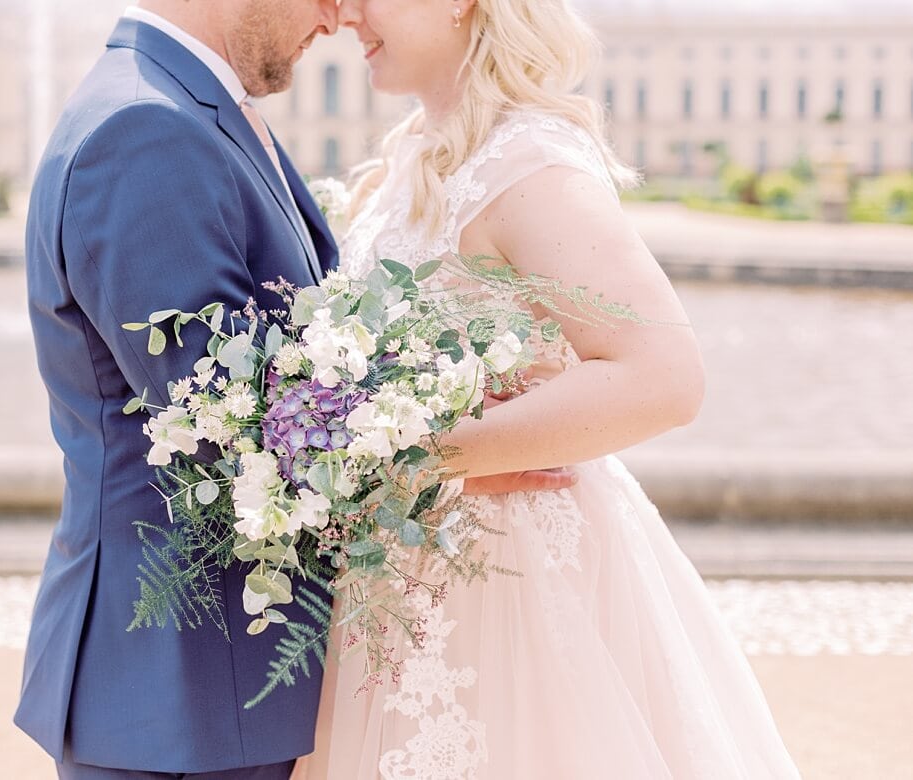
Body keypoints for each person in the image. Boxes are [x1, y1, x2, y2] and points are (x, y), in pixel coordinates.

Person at [15, 1, 572, 777]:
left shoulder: (185, 109)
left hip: (211, 686)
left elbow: (272, 380)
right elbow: (231, 432)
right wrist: (448, 460)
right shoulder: (145, 131)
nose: (339, 12)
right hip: (183, 691)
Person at [294, 0, 803, 778]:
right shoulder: (416, 157)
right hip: (403, 591)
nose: (345, 11)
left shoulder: (526, 162)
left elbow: (663, 375)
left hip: (512, 585)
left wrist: (420, 459)